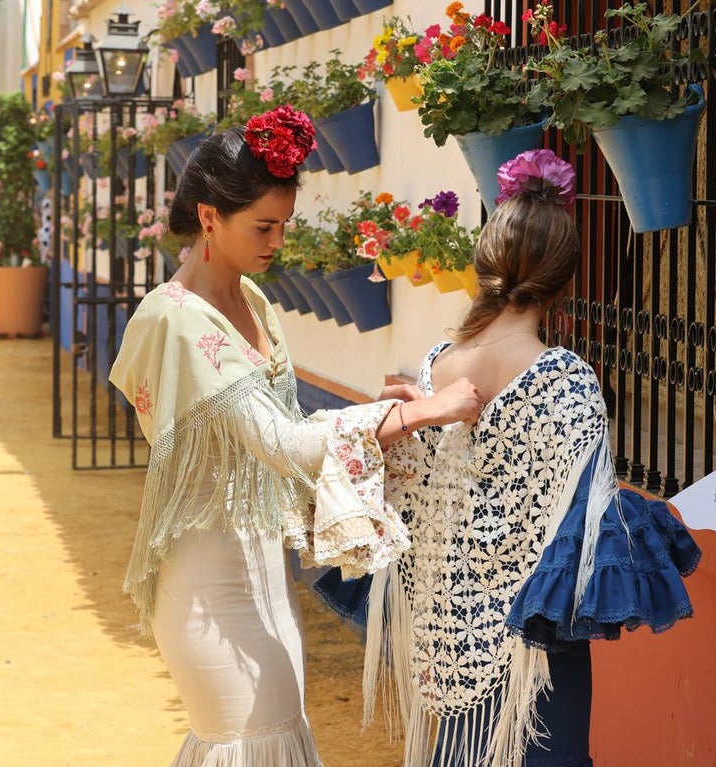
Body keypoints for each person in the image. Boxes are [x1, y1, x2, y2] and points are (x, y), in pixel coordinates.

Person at [107, 105, 482, 767]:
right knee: (247, 742)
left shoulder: (253, 301)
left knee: (277, 738)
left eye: (283, 224)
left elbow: (289, 437)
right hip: (203, 582)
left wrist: (381, 416)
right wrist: (422, 413)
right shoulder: (174, 321)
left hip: (266, 568)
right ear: (209, 217)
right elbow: (282, 444)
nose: (277, 240)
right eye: (262, 225)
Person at [350, 150, 701, 767]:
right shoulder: (564, 379)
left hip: (450, 634)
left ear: (484, 263)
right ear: (566, 282)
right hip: (533, 652)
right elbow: (592, 531)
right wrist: (674, 520)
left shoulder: (436, 366)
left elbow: (416, 501)